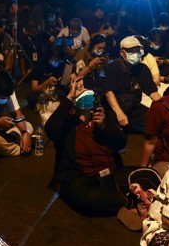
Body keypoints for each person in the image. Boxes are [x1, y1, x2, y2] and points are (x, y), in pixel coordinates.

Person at [45, 79, 127, 217]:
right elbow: (50, 129)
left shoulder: (103, 116)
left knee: (144, 175)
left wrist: (105, 125)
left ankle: (124, 201)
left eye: (85, 87)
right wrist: (70, 98)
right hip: (80, 177)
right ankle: (128, 202)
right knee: (91, 198)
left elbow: (121, 143)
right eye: (79, 87)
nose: (82, 90)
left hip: (109, 172)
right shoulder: (68, 121)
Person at [102, 36, 160, 134]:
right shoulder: (112, 67)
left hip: (134, 108)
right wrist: (119, 113)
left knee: (156, 123)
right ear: (122, 52)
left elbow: (152, 92)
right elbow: (109, 92)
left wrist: (165, 108)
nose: (136, 53)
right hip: (114, 108)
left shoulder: (143, 69)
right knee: (114, 133)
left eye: (137, 50)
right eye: (131, 51)